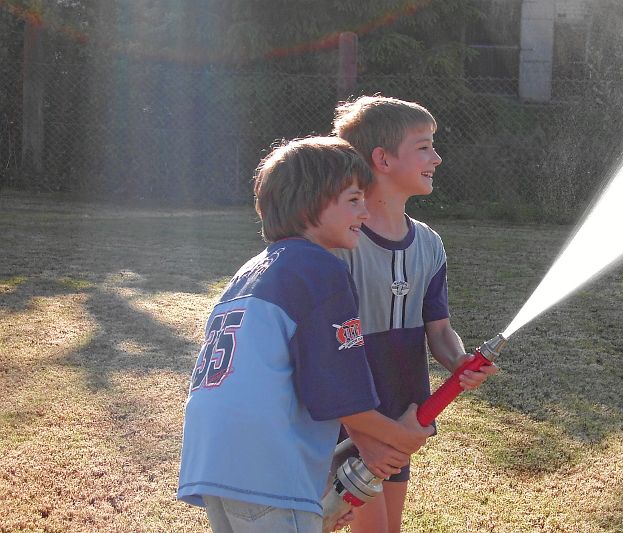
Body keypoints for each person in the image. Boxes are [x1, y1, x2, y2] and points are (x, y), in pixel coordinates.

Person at [176, 136, 434, 533]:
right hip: (266, 465)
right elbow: (341, 398)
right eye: (353, 200)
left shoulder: (252, 273)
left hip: (214, 461)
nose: (365, 212)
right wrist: (400, 437)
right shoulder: (321, 270)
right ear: (310, 203)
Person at [331, 95, 499, 533]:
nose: (437, 158)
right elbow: (329, 349)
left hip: (405, 414)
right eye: (424, 146)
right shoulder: (343, 241)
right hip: (354, 419)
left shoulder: (429, 243)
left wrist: (459, 361)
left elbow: (439, 330)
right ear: (382, 159)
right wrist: (363, 431)